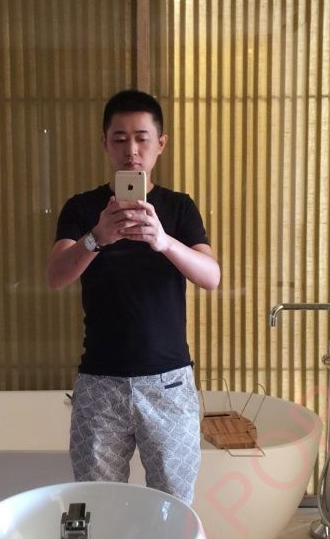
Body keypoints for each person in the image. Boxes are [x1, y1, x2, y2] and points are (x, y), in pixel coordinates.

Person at [45, 89, 220, 505]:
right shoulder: (83, 208)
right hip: (99, 382)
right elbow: (55, 276)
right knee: (98, 504)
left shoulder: (178, 208)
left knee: (174, 503)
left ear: (161, 143)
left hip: (168, 381)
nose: (131, 150)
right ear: (104, 143)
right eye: (120, 138)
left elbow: (211, 276)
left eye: (142, 138)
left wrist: (163, 241)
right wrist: (97, 237)